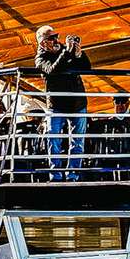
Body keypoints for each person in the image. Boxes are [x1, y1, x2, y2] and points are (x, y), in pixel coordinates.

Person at [34, 25, 93, 180]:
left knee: (77, 142)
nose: (55, 40)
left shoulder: (64, 49)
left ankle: (73, 174)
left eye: (56, 36)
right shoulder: (40, 58)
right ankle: (56, 175)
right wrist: (67, 52)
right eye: (51, 38)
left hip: (77, 103)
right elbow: (53, 69)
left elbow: (86, 67)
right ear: (42, 43)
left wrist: (79, 54)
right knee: (53, 141)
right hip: (56, 105)